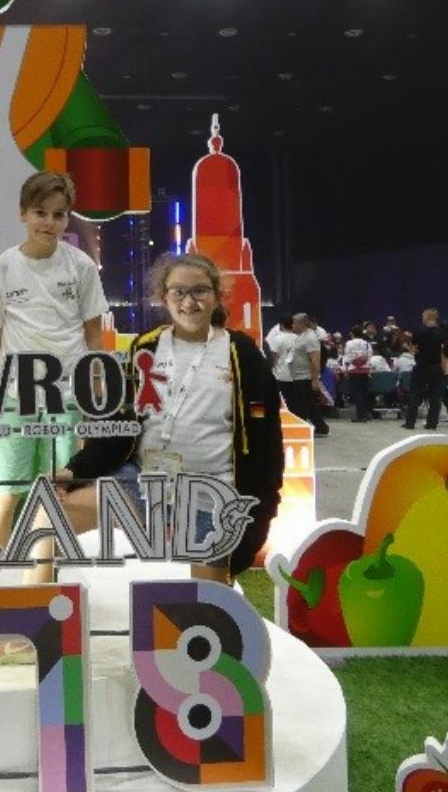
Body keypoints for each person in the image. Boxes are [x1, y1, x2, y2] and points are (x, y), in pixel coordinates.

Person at [52, 250, 283, 584]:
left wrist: (263, 508)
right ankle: (41, 605)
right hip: (144, 483)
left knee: (206, 604)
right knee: (50, 515)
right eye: (178, 292)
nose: (189, 302)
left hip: (210, 498)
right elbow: (122, 426)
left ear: (217, 295)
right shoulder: (146, 346)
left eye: (200, 290)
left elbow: (266, 441)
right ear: (164, 297)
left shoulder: (242, 354)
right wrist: (75, 470)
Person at [0, 170, 106, 667]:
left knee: (58, 498)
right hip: (16, 395)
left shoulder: (81, 266)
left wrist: (95, 396)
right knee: (4, 494)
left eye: (59, 215)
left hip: (67, 396)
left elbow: (93, 336)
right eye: (40, 213)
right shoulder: (4, 267)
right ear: (23, 214)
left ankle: (33, 611)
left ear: (68, 219)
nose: (49, 222)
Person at [280, 313, 329, 436]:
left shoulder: (310, 338)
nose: (292, 325)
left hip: (305, 377)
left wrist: (314, 380)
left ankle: (307, 427)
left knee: (303, 404)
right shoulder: (301, 336)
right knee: (307, 404)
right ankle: (320, 427)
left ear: (302, 324)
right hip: (298, 376)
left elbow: (315, 359)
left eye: (294, 323)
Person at [403, 308, 444, 431]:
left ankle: (410, 423)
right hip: (437, 367)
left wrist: (412, 349)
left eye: (423, 316)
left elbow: (413, 348)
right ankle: (432, 423)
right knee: (435, 397)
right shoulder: (441, 332)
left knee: (415, 395)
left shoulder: (420, 332)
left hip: (422, 366)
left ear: (426, 317)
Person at [342, 325, 373, 422]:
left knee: (357, 393)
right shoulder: (367, 343)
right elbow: (369, 355)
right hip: (365, 370)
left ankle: (360, 416)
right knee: (364, 393)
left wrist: (347, 367)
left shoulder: (349, 343)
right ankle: (365, 414)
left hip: (354, 370)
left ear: (352, 333)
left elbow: (347, 357)